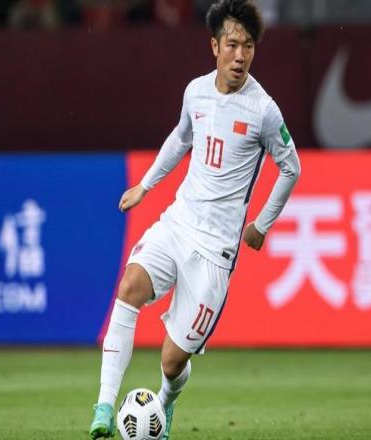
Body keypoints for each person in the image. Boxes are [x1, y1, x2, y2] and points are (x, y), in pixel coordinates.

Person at [89, 0, 301, 438]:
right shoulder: (196, 92)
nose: (240, 56)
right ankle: (105, 407)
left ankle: (165, 403)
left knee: (172, 361)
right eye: (232, 44)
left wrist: (261, 224)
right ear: (214, 46)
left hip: (215, 252)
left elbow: (291, 167)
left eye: (248, 46)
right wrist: (145, 185)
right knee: (129, 286)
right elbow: (180, 137)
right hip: (178, 223)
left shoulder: (264, 110)